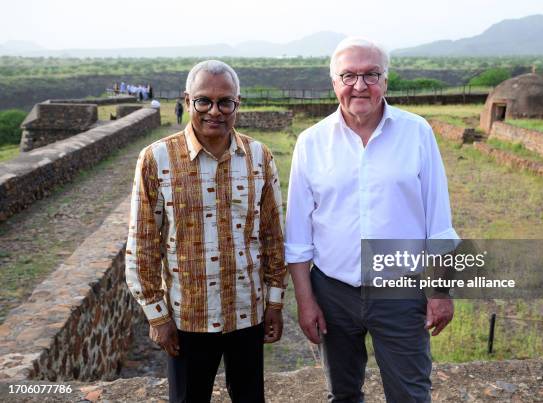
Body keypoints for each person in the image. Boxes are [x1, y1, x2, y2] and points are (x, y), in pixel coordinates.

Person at [285, 37, 459, 402]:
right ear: (334, 82)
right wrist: (306, 301)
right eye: (348, 76)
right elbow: (299, 236)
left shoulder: (417, 133)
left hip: (400, 290)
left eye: (371, 75)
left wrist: (440, 291)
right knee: (343, 394)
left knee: (410, 394)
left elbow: (438, 223)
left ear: (386, 80)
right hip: (332, 292)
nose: (359, 86)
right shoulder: (311, 142)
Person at [126, 60, 287, 403]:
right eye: (204, 101)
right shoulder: (157, 159)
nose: (215, 111)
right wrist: (157, 315)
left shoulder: (259, 156)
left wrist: (274, 303)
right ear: (188, 101)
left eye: (225, 101)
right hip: (188, 318)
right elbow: (142, 245)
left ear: (237, 104)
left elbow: (274, 236)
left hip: (247, 311)